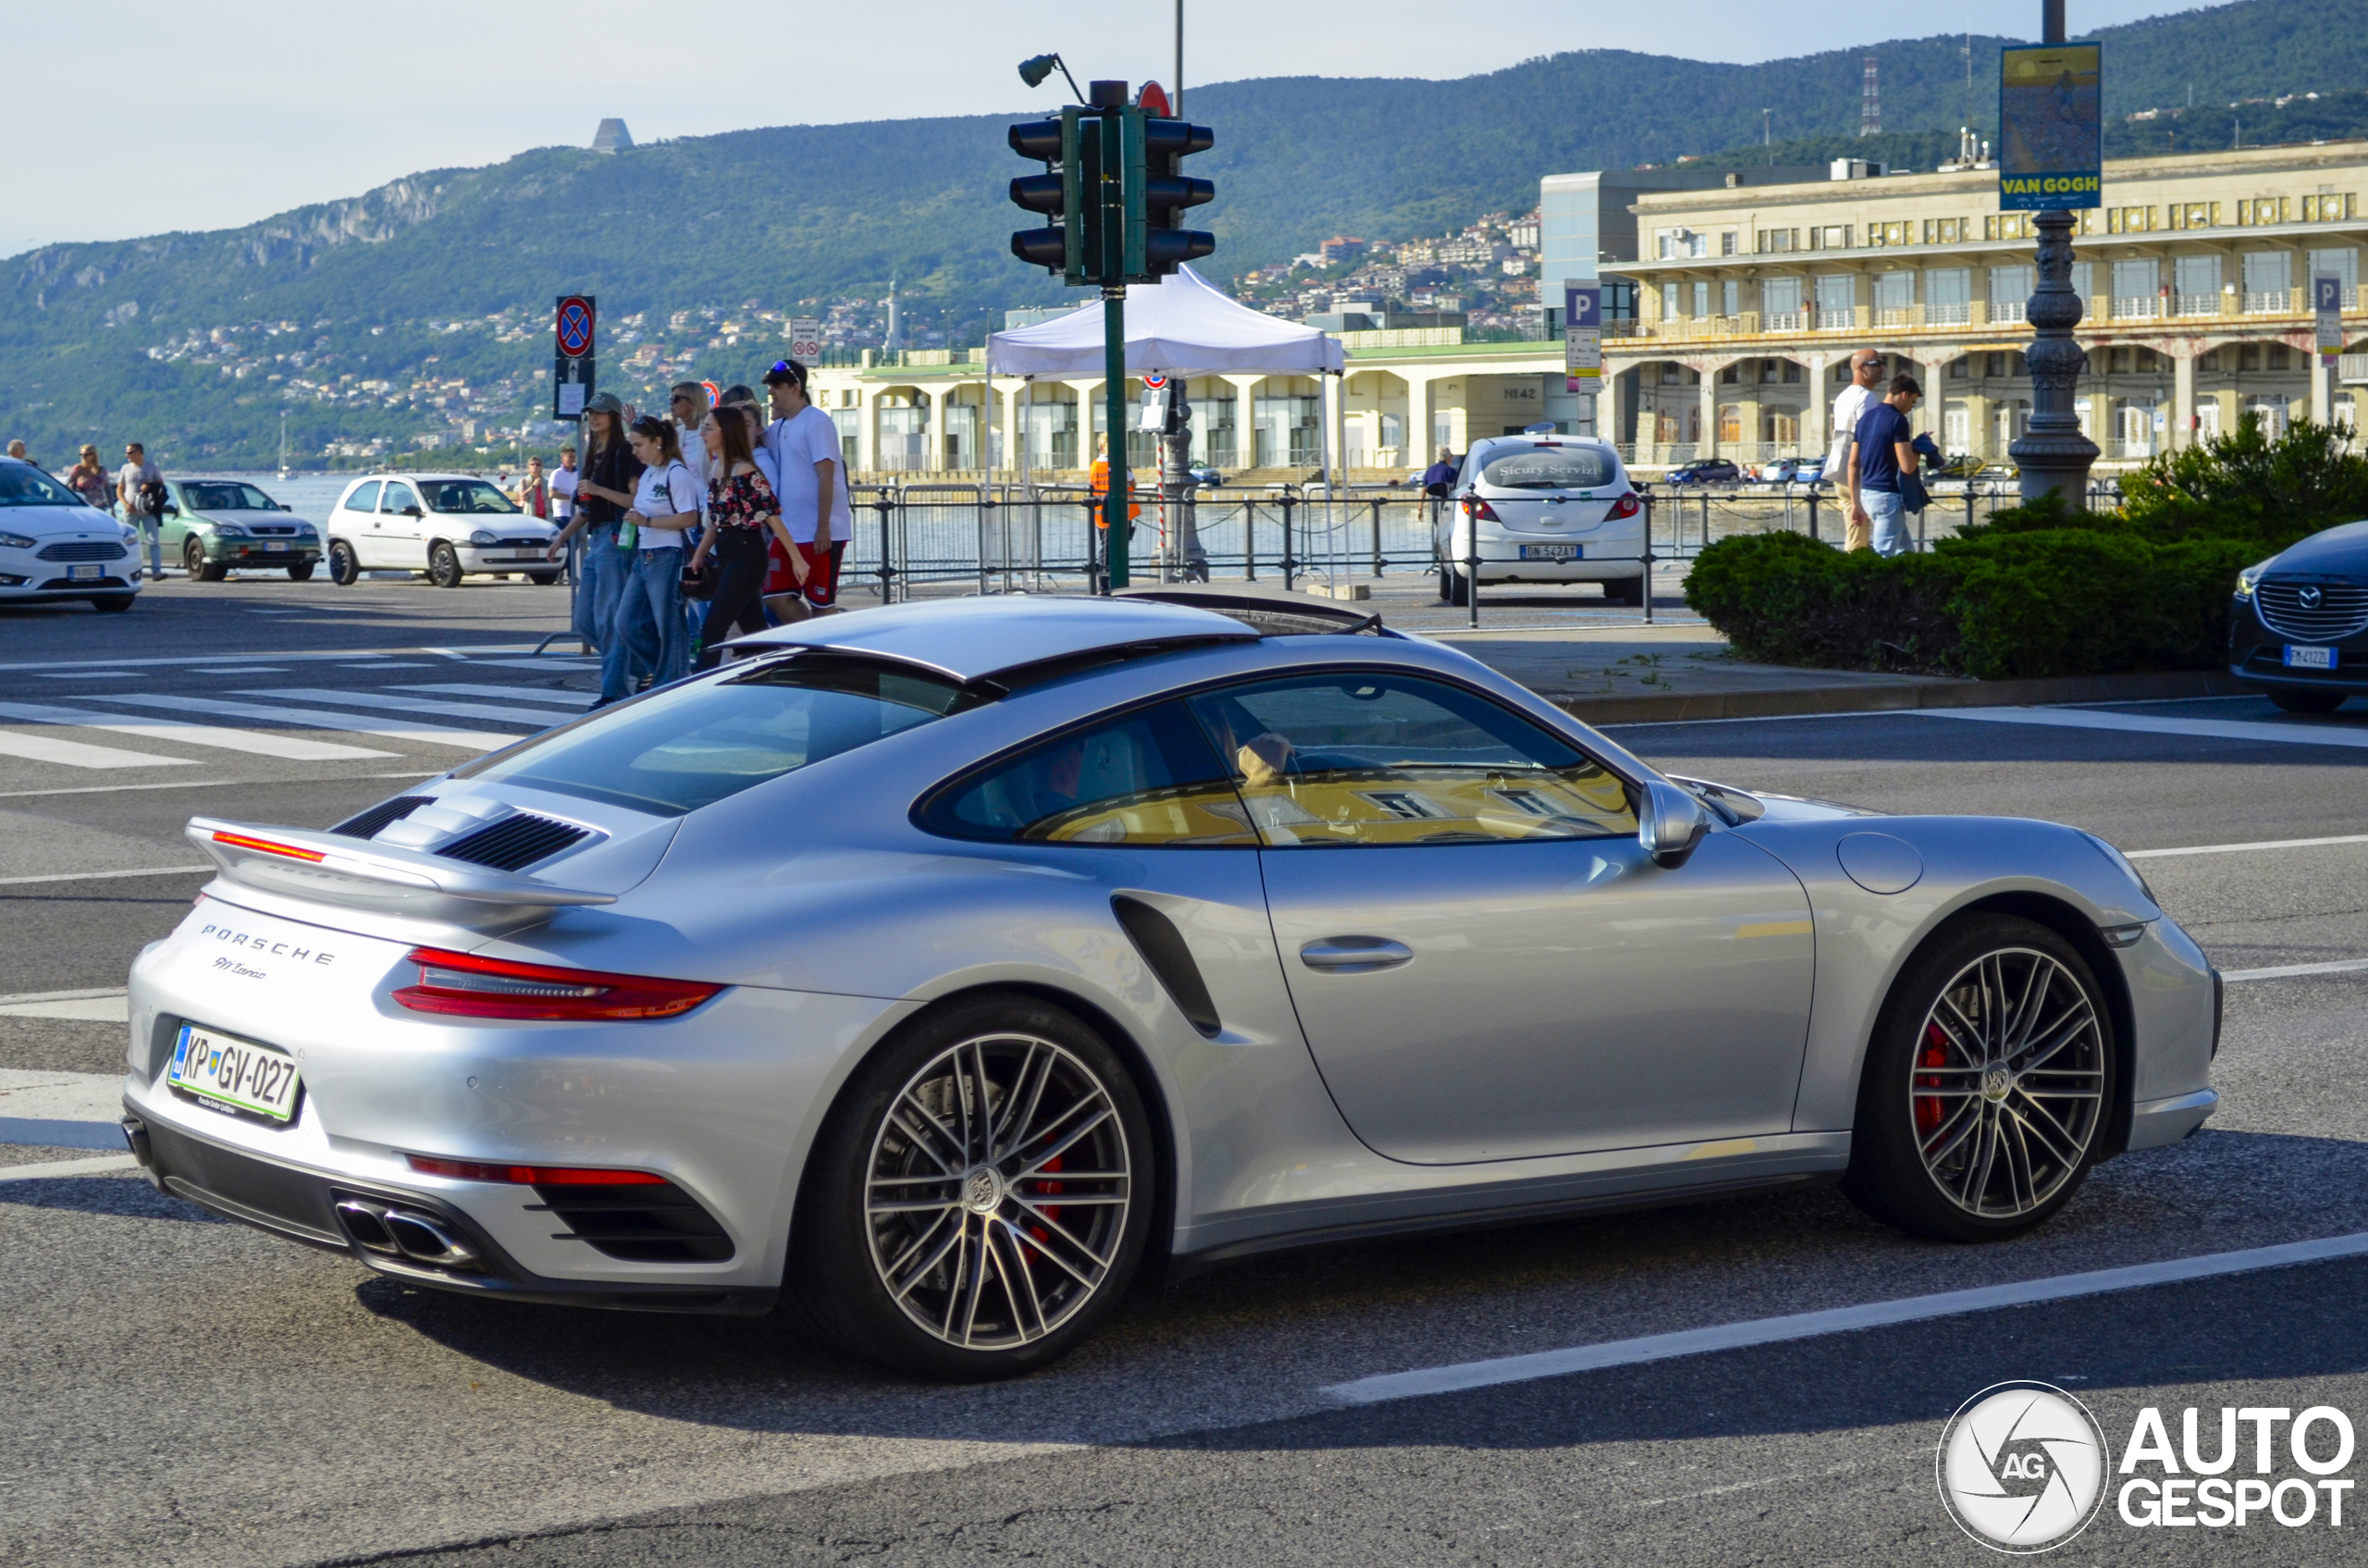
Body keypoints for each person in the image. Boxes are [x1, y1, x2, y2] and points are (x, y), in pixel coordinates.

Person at [600, 414, 700, 702]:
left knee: (669, 624)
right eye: (632, 445)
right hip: (643, 554)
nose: (635, 452)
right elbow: (639, 508)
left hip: (667, 555)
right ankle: (668, 673)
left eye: (639, 445)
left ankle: (670, 684)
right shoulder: (648, 474)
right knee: (626, 622)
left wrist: (648, 523)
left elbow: (689, 517)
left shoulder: (676, 473)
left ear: (658, 442)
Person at [689, 410, 796, 670]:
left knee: (714, 626)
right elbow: (715, 522)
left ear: (725, 432)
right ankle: (781, 680)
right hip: (726, 552)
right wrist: (698, 556)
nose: (702, 434)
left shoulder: (748, 471)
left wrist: (797, 560)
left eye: (708, 428)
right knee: (755, 631)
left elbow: (771, 516)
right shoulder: (716, 469)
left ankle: (697, 688)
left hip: (748, 554)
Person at [544, 396, 638, 663]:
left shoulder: (624, 451)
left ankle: (615, 687)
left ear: (614, 417)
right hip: (596, 540)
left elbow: (635, 501)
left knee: (609, 617)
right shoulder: (593, 457)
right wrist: (560, 538)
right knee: (584, 621)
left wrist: (599, 490)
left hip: (615, 536)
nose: (593, 417)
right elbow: (586, 510)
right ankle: (638, 668)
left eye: (600, 413)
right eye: (590, 413)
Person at [761, 359, 853, 612]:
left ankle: (825, 646)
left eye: (777, 387)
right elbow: (751, 436)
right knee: (774, 595)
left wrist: (823, 527)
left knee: (821, 603)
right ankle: (809, 642)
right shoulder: (778, 428)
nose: (771, 393)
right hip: (790, 530)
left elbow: (826, 475)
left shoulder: (817, 422)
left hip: (820, 531)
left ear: (795, 387)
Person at [1846, 373, 1922, 560]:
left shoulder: (1865, 419)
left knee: (1905, 552)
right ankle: (1871, 589)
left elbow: (1853, 463)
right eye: (1912, 402)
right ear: (1904, 394)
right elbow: (1907, 466)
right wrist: (1920, 448)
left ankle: (1907, 588)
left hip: (1867, 494)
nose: (1910, 408)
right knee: (1883, 556)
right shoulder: (1898, 420)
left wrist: (1855, 503)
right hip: (1887, 496)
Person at [1826, 349, 1884, 551]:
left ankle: (1852, 572)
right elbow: (1867, 438)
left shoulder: (1843, 396)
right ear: (1861, 368)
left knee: (1855, 533)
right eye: (1876, 364)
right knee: (1884, 531)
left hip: (1840, 470)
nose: (1882, 368)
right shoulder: (1866, 397)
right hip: (1860, 472)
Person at [116, 442, 165, 577]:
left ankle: (156, 570)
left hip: (148, 510)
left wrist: (149, 486)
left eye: (130, 453)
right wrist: (125, 503)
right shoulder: (125, 468)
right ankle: (129, 570)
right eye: (127, 453)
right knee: (129, 541)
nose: (127, 455)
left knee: (153, 540)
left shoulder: (151, 468)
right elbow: (119, 489)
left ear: (139, 452)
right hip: (130, 510)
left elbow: (161, 487)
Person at [64, 446, 111, 510]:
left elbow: (108, 489)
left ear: (93, 456)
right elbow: (65, 485)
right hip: (82, 506)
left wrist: (112, 508)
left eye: (86, 455)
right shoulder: (78, 469)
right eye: (81, 455)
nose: (83, 457)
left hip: (99, 507)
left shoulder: (101, 471)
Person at [513, 456, 549, 520]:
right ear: (528, 467)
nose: (535, 466)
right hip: (530, 513)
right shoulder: (524, 481)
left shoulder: (545, 483)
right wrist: (534, 485)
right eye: (532, 464)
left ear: (541, 468)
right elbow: (524, 497)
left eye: (538, 465)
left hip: (544, 515)